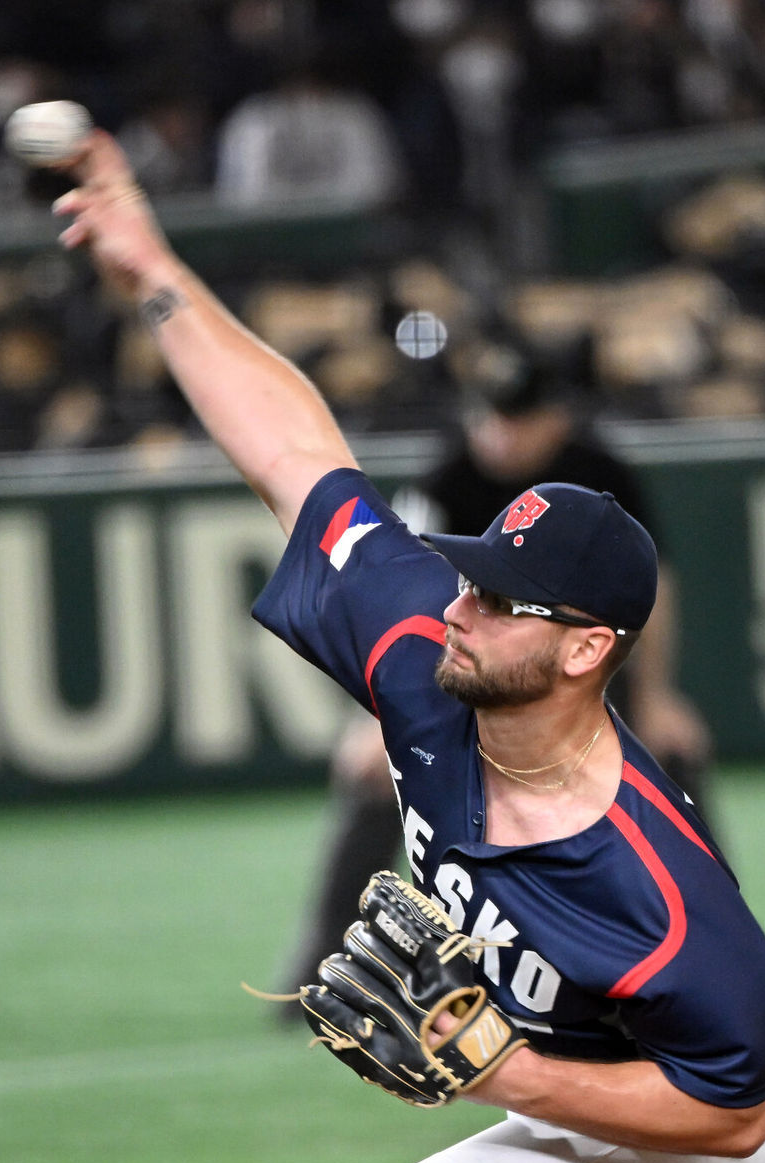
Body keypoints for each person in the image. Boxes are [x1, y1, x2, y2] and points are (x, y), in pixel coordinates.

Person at [53, 130, 765, 1163]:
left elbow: (733, 1112)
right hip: (598, 1107)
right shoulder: (424, 653)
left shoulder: (648, 879)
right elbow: (293, 450)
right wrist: (152, 270)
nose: (463, 606)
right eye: (472, 575)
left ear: (585, 651)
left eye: (505, 602)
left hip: (696, 1128)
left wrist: (501, 1070)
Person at [278, 339, 715, 1003]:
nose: (498, 433)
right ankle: (327, 959)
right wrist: (378, 717)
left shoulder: (597, 474)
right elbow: (387, 600)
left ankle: (709, 955)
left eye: (516, 418)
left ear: (555, 419)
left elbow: (654, 592)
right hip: (452, 673)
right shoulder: (448, 475)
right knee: (377, 781)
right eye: (489, 415)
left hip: (572, 676)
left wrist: (657, 697)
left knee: (670, 761)